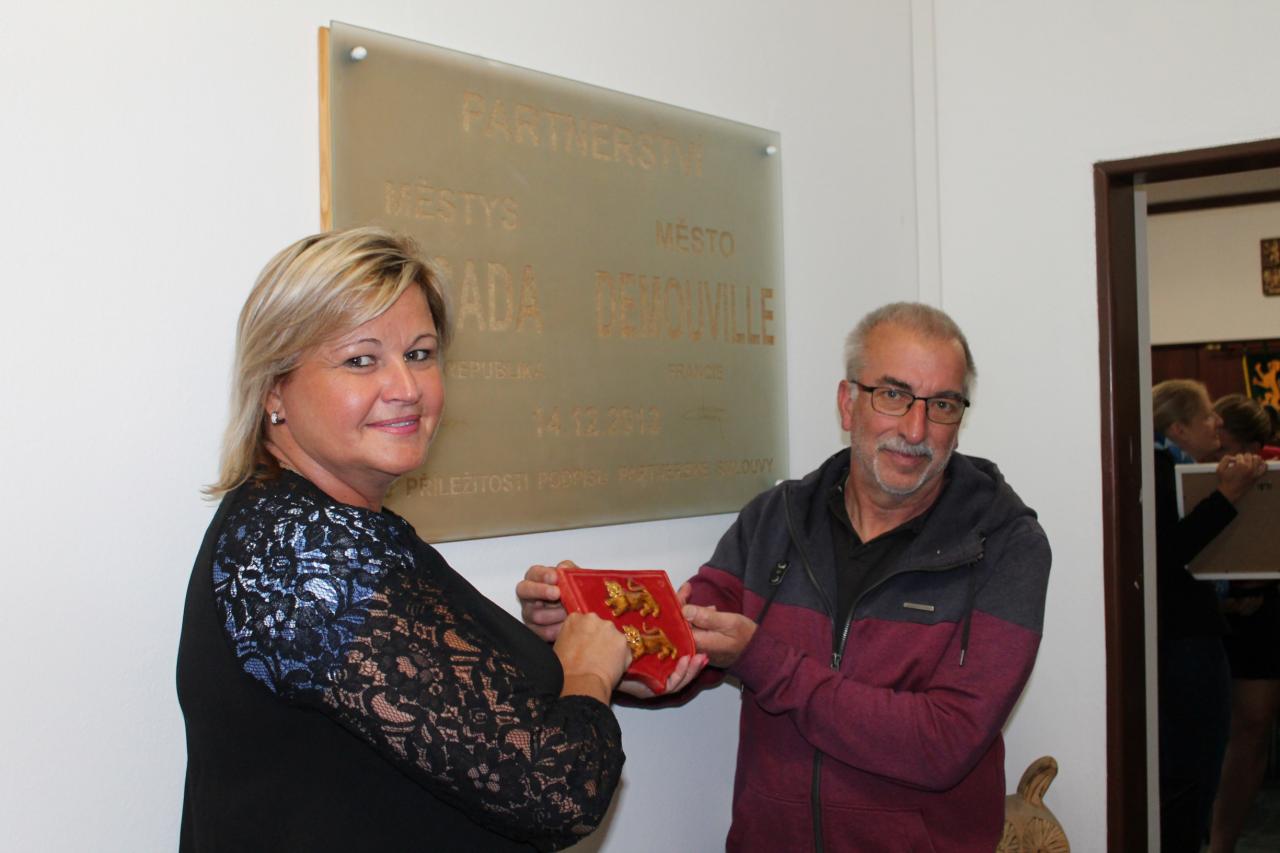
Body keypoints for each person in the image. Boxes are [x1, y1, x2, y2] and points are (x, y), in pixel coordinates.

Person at [520, 302, 1052, 852]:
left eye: (941, 404)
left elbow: (944, 744)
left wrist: (765, 660)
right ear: (848, 403)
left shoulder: (1007, 547)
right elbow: (680, 652)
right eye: (893, 395)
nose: (915, 429)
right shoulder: (775, 521)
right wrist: (578, 625)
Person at [176, 227, 634, 852]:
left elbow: (433, 708)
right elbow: (558, 790)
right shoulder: (300, 551)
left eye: (419, 354)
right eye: (361, 360)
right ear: (275, 387)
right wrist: (586, 672)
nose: (407, 388)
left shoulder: (341, 527)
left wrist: (542, 650)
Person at [1151, 380, 1268, 853]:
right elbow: (1171, 553)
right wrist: (1226, 495)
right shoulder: (1160, 469)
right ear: (1178, 428)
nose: (1217, 421)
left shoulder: (1173, 467)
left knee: (1192, 770)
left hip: (1186, 637)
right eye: (1205, 416)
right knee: (1191, 769)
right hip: (1184, 642)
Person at [1208, 394, 1279, 853]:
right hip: (1214, 613)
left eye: (1230, 448)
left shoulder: (1272, 475)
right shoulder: (1188, 470)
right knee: (1229, 728)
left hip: (1264, 610)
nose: (1225, 459)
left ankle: (1222, 841)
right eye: (1217, 448)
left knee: (1252, 727)